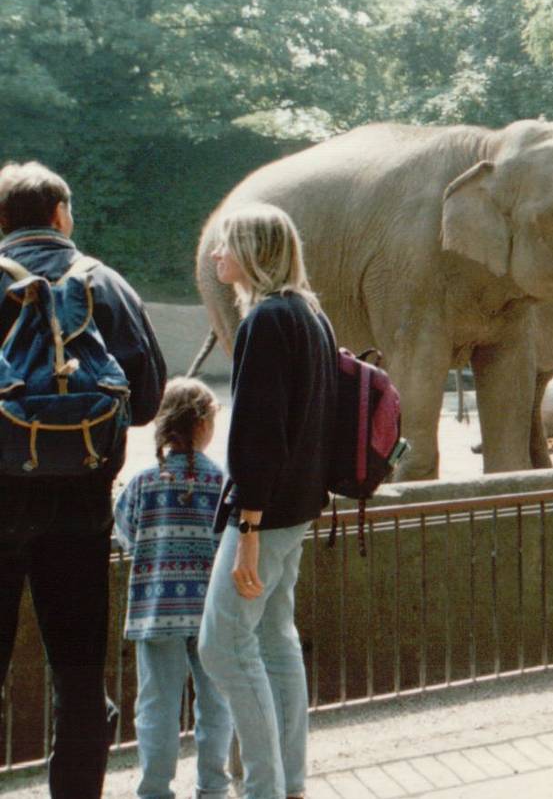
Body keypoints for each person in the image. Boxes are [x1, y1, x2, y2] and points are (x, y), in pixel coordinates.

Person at [0, 161, 167, 799]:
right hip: (81, 511)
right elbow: (146, 401)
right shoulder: (106, 284)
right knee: (77, 680)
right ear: (61, 215)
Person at [197, 204, 338, 799]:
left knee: (223, 647)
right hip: (299, 508)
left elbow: (259, 433)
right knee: (276, 640)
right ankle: (288, 782)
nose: (216, 254)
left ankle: (263, 787)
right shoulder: (310, 315)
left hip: (264, 516)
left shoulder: (265, 321)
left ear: (254, 253)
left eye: (226, 244)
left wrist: (247, 532)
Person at [113, 379, 231, 799]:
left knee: (156, 706)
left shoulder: (143, 482)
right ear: (202, 424)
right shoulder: (221, 482)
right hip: (211, 612)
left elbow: (126, 534)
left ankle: (154, 789)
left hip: (156, 610)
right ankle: (213, 786)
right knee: (216, 702)